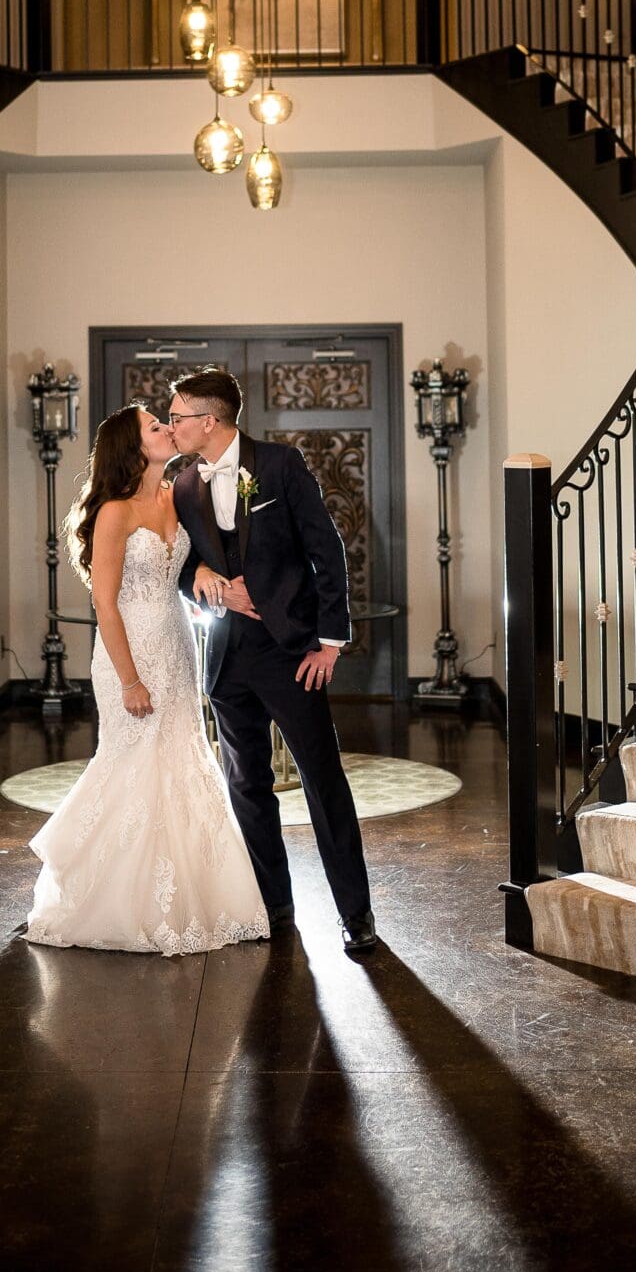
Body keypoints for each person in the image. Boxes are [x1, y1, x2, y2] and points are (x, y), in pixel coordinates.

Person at [25, 401, 269, 955]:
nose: (167, 429)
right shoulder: (113, 512)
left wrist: (205, 569)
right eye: (155, 427)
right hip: (128, 652)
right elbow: (105, 607)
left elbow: (187, 563)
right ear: (133, 448)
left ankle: (193, 898)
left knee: (181, 760)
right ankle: (116, 901)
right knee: (132, 764)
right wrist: (131, 680)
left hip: (177, 646)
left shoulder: (177, 495)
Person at [167, 370, 377, 956]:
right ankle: (273, 905)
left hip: (292, 654)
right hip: (226, 659)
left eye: (179, 416)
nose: (174, 425)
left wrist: (329, 641)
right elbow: (174, 563)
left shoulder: (281, 466)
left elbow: (325, 549)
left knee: (322, 780)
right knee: (247, 785)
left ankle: (355, 913)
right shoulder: (183, 486)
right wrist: (201, 578)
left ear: (210, 420)